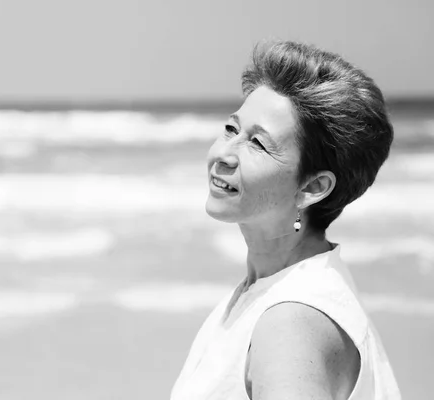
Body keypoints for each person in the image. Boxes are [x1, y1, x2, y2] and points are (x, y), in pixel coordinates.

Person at [170, 41, 401, 400]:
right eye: (232, 129)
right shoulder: (272, 287)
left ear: (312, 187)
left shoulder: (291, 323)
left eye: (258, 144)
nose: (224, 155)